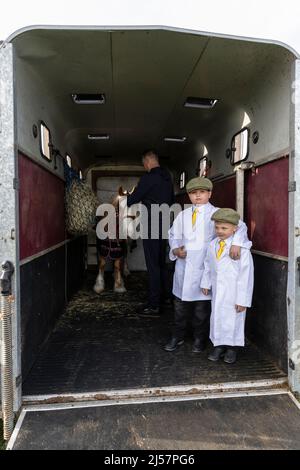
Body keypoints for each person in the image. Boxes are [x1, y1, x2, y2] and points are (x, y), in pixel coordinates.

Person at [164, 177, 252, 353]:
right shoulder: (183, 215)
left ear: (210, 193)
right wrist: (175, 250)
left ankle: (199, 339)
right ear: (189, 195)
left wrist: (237, 243)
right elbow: (172, 234)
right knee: (180, 308)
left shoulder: (219, 214)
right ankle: (178, 336)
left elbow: (240, 227)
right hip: (184, 268)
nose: (198, 196)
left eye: (202, 192)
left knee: (201, 311)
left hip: (205, 271)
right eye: (193, 193)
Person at [201, 208, 254, 364]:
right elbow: (208, 265)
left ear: (235, 228)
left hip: (234, 292)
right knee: (217, 317)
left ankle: (232, 348)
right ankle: (219, 345)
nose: (220, 231)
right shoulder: (212, 245)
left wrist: (242, 300)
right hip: (218, 289)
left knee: (233, 319)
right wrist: (206, 282)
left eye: (224, 228)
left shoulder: (241, 250)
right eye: (217, 227)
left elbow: (246, 276)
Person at [127, 149, 174, 316]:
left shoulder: (148, 178)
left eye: (144, 164)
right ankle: (166, 298)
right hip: (165, 224)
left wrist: (131, 193)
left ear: (147, 162)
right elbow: (172, 201)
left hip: (152, 224)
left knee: (153, 266)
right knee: (161, 264)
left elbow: (132, 200)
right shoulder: (168, 177)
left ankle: (154, 305)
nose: (144, 167)